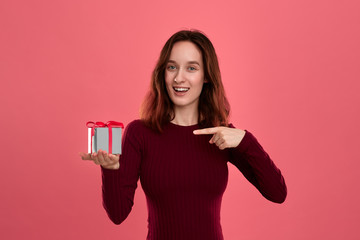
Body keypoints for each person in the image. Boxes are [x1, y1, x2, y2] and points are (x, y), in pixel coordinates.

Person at [79, 29, 287, 240]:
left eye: (191, 68)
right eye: (172, 67)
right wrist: (110, 168)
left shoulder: (222, 135)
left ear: (206, 76)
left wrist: (245, 140)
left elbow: (277, 193)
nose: (179, 78)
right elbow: (118, 214)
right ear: (163, 73)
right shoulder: (139, 133)